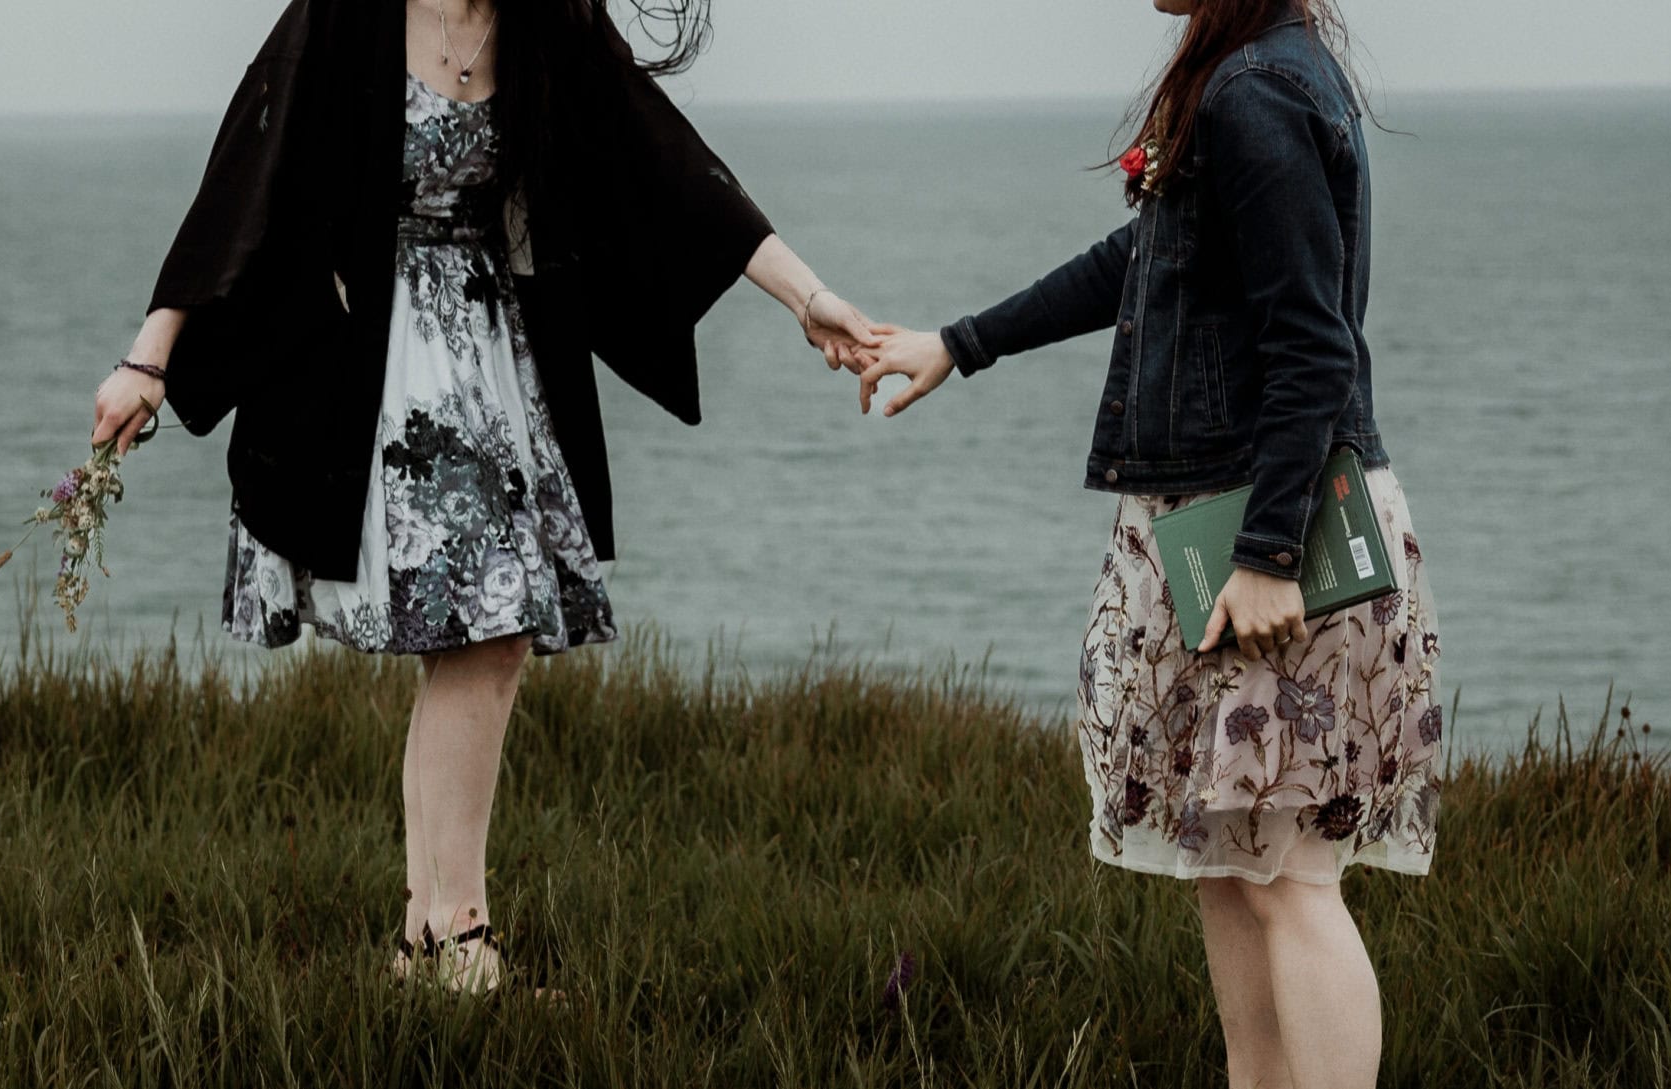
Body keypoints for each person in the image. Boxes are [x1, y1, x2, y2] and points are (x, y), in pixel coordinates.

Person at [86, 0, 876, 994]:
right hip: (367, 371)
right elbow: (244, 179)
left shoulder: (550, 22)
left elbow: (673, 164)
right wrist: (148, 359)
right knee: (490, 638)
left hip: (493, 360)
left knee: (482, 643)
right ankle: (457, 936)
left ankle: (427, 939)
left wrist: (810, 299)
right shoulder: (343, 18)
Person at [854, 1, 1440, 1085]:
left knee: (1294, 885)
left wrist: (1269, 555)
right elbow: (1149, 258)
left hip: (1268, 545)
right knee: (1232, 874)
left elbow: (1313, 344)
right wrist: (960, 343)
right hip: (1216, 537)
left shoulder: (1259, 90)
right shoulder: (1246, 72)